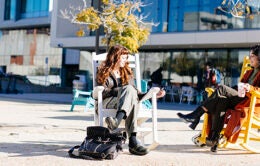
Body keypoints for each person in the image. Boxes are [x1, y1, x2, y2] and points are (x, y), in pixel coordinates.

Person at [177, 44, 260, 152]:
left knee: (221, 88)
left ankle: (196, 115)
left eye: (252, 55)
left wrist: (251, 88)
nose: (250, 58)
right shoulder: (249, 72)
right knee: (221, 100)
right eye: (249, 55)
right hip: (240, 98)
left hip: (251, 103)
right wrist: (240, 87)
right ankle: (214, 138)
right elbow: (239, 87)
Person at [95, 45, 165, 156]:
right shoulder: (103, 71)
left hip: (124, 103)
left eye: (126, 58)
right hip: (106, 102)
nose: (125, 60)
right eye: (123, 57)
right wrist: (120, 90)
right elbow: (102, 92)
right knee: (129, 91)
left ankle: (116, 122)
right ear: (115, 57)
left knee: (131, 94)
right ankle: (133, 142)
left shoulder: (126, 72)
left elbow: (135, 94)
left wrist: (152, 95)